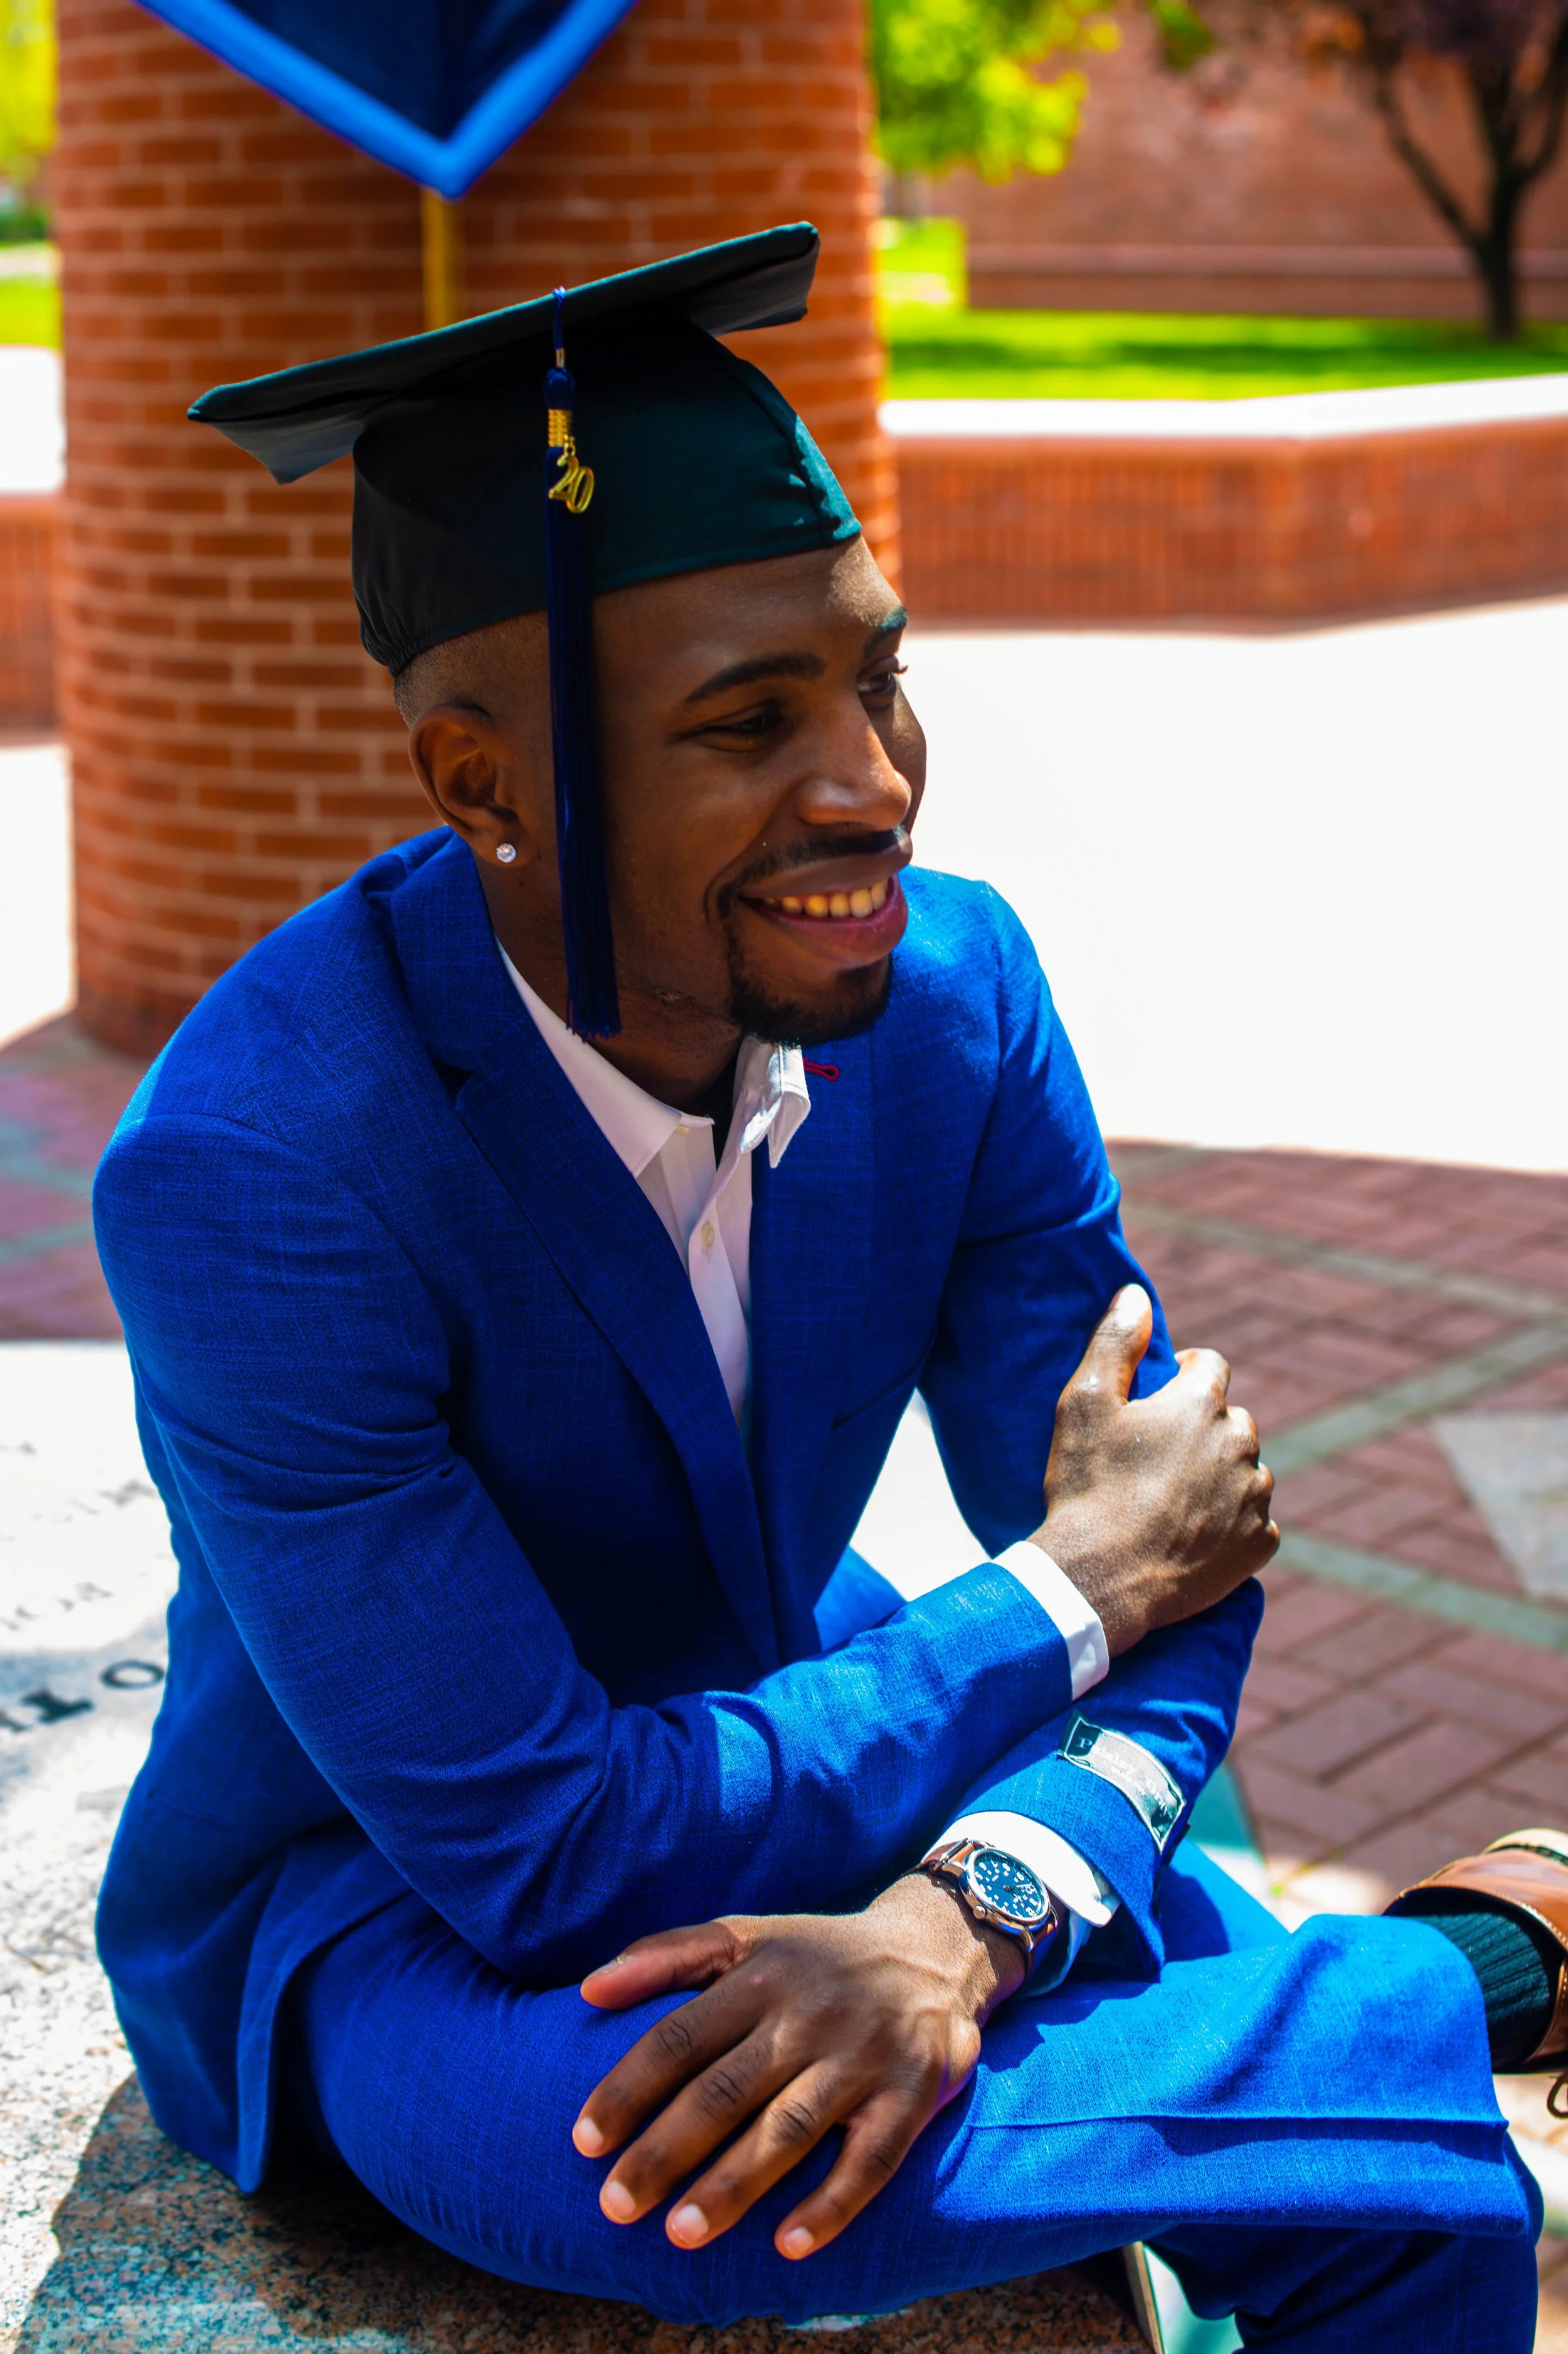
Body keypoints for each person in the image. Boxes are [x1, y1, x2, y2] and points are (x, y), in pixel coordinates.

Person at [93, 225, 1565, 2351]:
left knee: (1391, 2220)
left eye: (877, 673)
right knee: (757, 2188)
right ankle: (1475, 1979)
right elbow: (548, 1841)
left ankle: (1379, 2028)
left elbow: (1176, 1548)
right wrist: (1058, 1598)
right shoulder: (266, 1169)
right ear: (482, 786)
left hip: (824, 1731)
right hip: (397, 1898)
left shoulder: (951, 996)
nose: (869, 783)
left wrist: (971, 1914)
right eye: (746, 720)